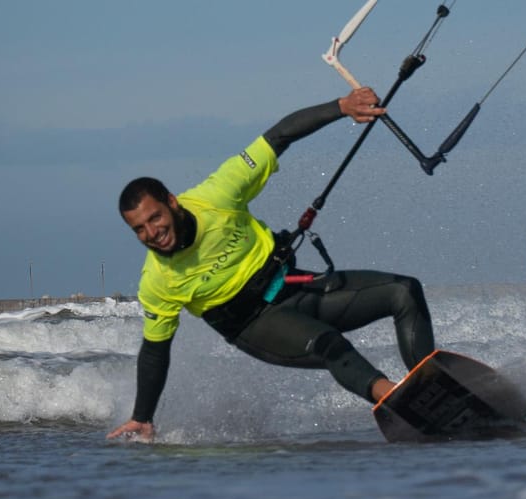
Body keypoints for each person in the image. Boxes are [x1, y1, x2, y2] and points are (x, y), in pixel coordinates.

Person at [107, 87, 435, 442]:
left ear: (171, 202)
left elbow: (279, 135)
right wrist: (142, 416)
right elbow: (155, 351)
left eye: (154, 218)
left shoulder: (218, 194)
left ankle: (435, 387)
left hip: (293, 286)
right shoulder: (158, 281)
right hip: (256, 325)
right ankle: (395, 398)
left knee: (404, 292)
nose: (152, 233)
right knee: (330, 344)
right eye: (139, 229)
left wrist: (341, 107)